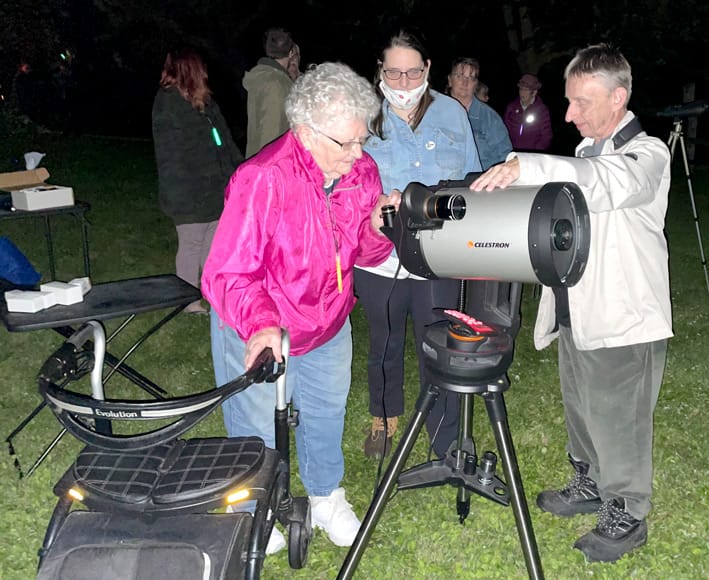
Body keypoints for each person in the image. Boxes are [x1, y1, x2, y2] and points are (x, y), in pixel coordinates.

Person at [471, 43, 672, 564]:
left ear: (618, 97)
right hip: (578, 311)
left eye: (582, 102)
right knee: (583, 409)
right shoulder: (586, 153)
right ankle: (588, 483)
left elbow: (606, 185)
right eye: (569, 101)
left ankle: (626, 511)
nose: (568, 113)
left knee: (618, 417)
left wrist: (527, 166)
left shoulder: (647, 156)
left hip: (623, 319)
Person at [202, 62, 399, 550]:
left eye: (362, 140)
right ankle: (255, 508)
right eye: (347, 143)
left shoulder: (361, 172)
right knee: (253, 422)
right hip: (257, 325)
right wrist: (263, 324)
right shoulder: (262, 179)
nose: (358, 155)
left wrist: (379, 228)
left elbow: (364, 252)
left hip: (327, 321)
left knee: (325, 413)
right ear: (305, 131)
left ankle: (326, 496)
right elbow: (226, 273)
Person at [354, 28, 482, 460]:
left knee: (439, 344)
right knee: (384, 341)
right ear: (380, 70)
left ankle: (445, 435)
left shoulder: (450, 113)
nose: (404, 83)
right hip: (378, 256)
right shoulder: (362, 114)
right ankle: (384, 419)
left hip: (437, 254)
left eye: (413, 72)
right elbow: (345, 182)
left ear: (428, 69)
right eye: (394, 72)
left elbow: (470, 182)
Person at [151, 47, 242, 315]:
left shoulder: (203, 102)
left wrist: (238, 169)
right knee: (191, 243)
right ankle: (187, 299)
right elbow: (177, 155)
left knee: (213, 243)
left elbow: (223, 141)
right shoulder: (169, 103)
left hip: (214, 189)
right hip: (187, 192)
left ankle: (213, 293)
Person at [243, 27, 300, 158]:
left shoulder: (266, 77)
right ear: (291, 53)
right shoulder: (275, 84)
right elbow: (270, 134)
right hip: (271, 167)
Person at [446, 57, 513, 168]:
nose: (465, 82)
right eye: (460, 76)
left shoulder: (490, 118)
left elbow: (505, 158)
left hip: (479, 181)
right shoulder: (435, 113)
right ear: (450, 80)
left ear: (476, 84)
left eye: (471, 78)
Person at [503, 73, 553, 151]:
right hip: (512, 152)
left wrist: (535, 151)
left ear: (534, 92)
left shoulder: (542, 110)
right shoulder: (511, 107)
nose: (522, 93)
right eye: (521, 89)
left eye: (526, 90)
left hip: (531, 155)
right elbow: (504, 130)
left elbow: (546, 136)